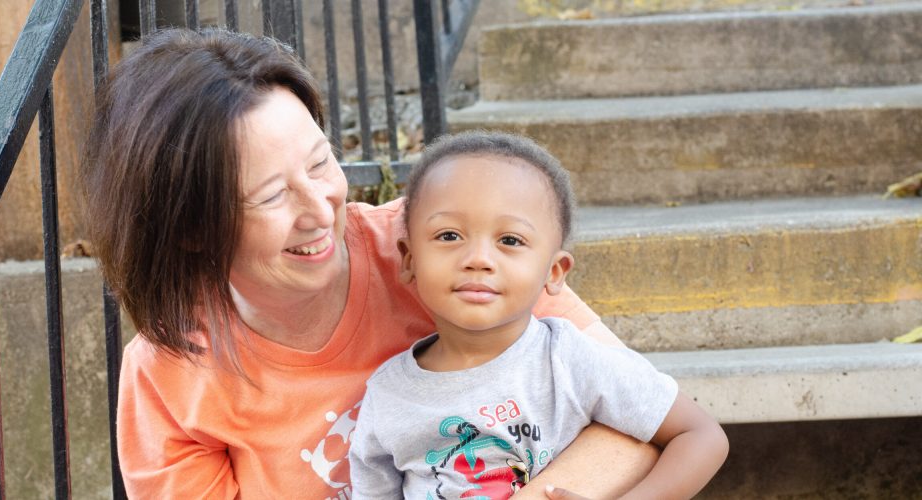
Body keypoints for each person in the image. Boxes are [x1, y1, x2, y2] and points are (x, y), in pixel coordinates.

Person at [82, 28, 664, 499]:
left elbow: (639, 422)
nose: (320, 208)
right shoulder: (169, 376)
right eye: (270, 196)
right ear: (190, 230)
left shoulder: (448, 248)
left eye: (319, 164)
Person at [347, 131, 729, 500]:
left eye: (509, 240)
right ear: (410, 258)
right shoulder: (388, 395)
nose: (478, 259)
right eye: (449, 235)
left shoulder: (568, 360)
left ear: (554, 271)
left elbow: (700, 435)